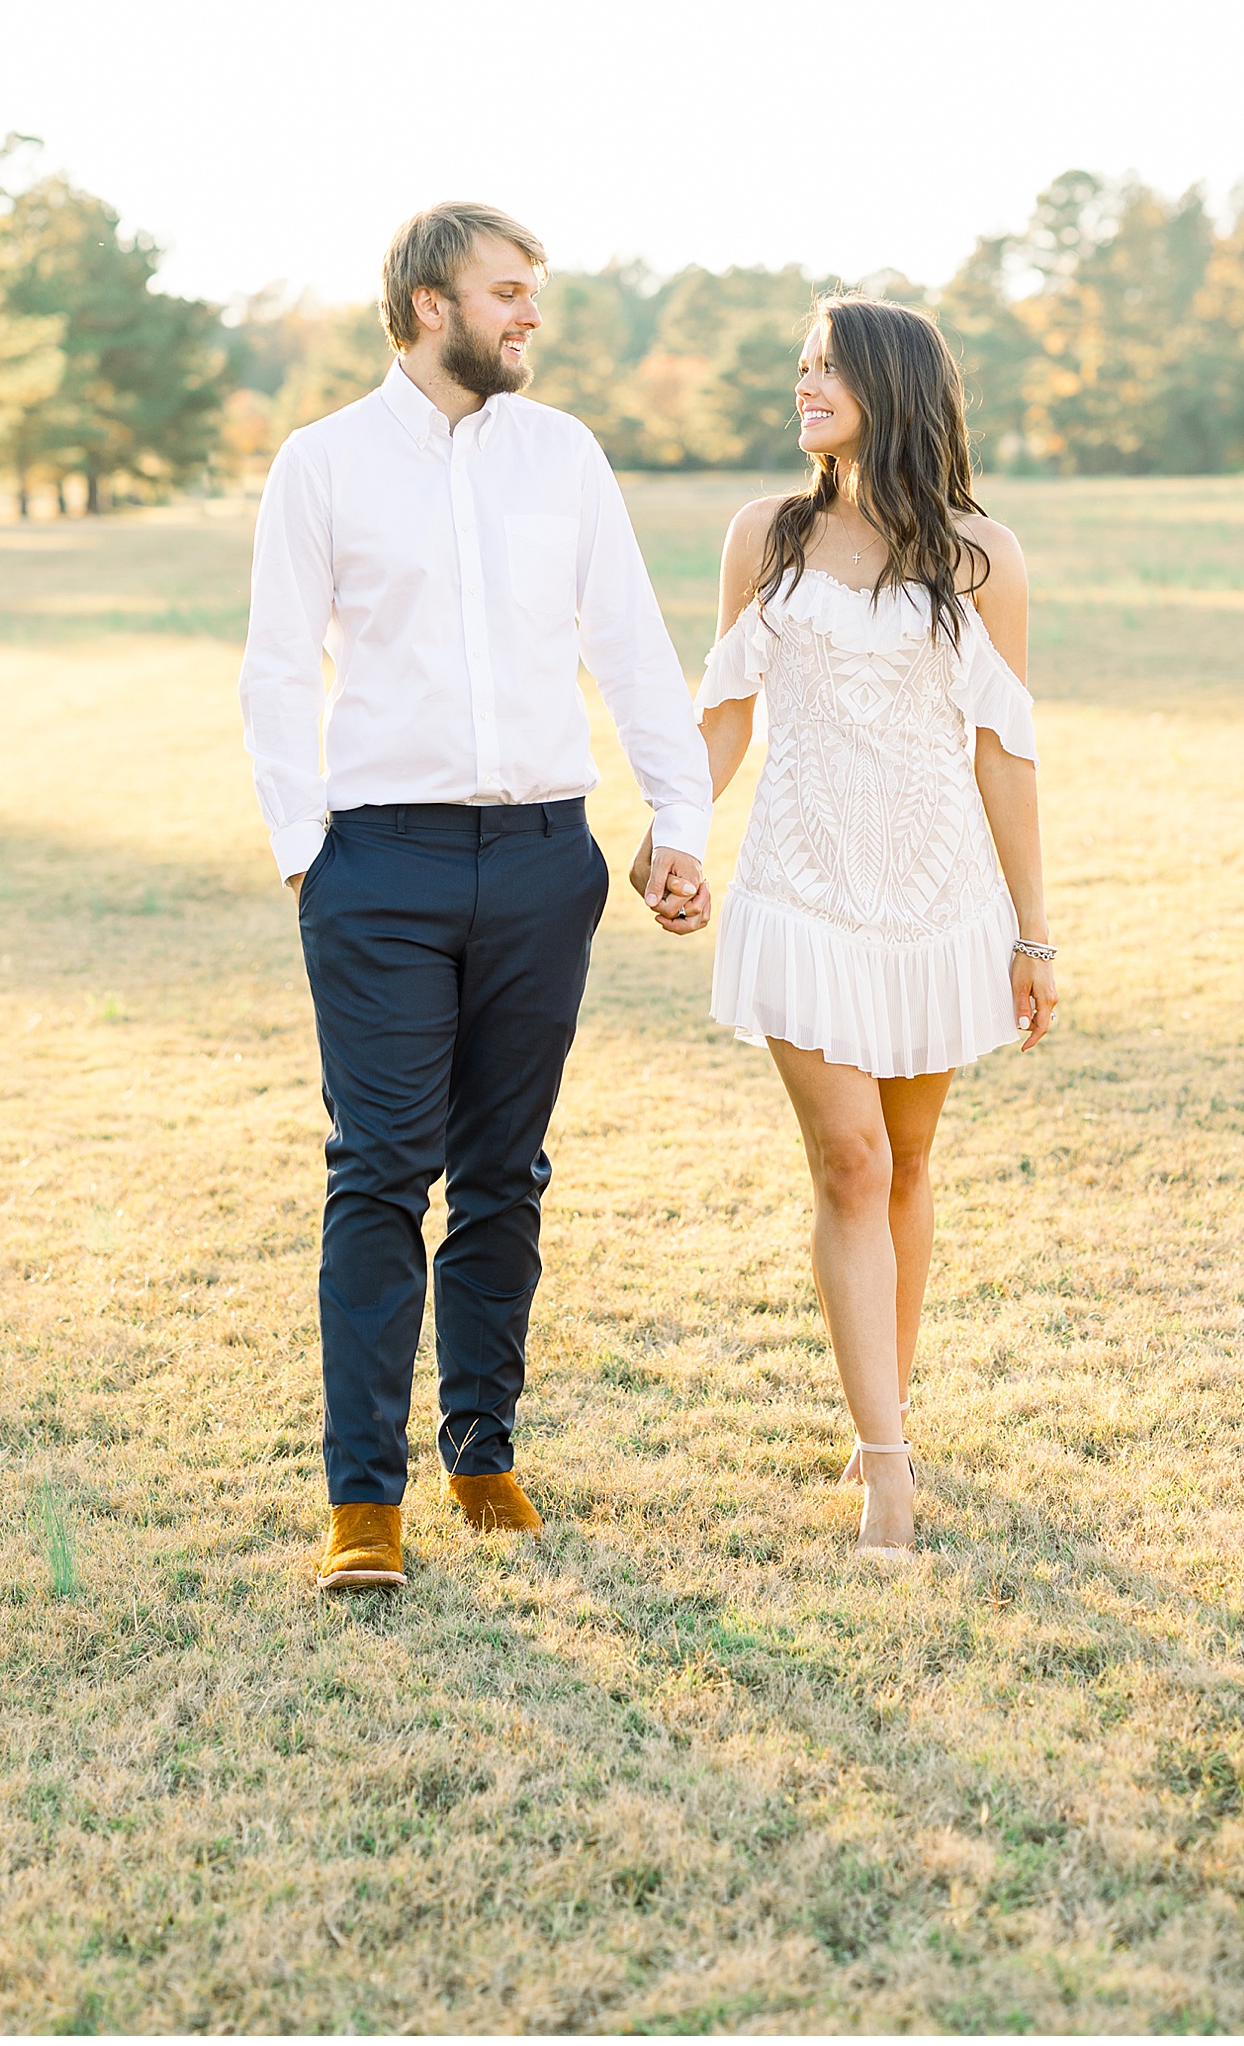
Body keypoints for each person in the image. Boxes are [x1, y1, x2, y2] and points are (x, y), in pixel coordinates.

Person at [239, 203, 713, 1592]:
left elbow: (630, 642)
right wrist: (301, 850)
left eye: (533, 296)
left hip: (541, 863)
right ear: (429, 304)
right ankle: (363, 1503)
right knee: (380, 1169)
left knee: (505, 1170)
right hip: (375, 863)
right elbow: (275, 669)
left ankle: (483, 1449)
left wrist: (674, 815)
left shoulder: (563, 454)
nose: (530, 317)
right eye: (509, 293)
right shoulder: (320, 464)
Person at [642, 297, 1056, 1555]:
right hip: (800, 890)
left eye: (827, 367)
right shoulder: (764, 534)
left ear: (891, 384)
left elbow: (1006, 753)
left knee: (914, 1164)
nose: (804, 384)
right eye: (803, 366)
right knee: (853, 1163)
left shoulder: (983, 556)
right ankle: (887, 1465)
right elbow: (725, 711)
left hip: (935, 899)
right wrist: (674, 828)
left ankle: (889, 1401)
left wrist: (1034, 933)